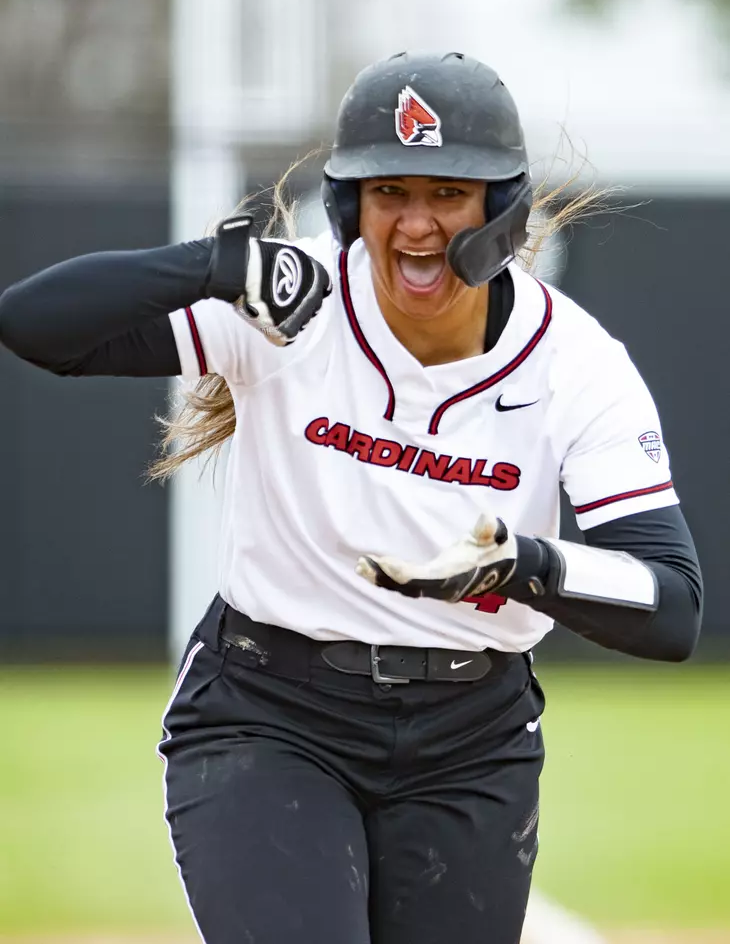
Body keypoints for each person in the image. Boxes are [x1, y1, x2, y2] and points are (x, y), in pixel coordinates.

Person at [0, 51, 702, 944]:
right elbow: (34, 325)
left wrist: (520, 567)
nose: (414, 224)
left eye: (448, 193)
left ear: (503, 207)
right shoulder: (291, 303)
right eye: (388, 192)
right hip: (269, 711)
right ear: (349, 206)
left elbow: (672, 604)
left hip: (470, 740)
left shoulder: (576, 363)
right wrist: (214, 266)